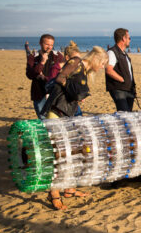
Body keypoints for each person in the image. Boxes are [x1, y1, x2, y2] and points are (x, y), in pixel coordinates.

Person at [44, 44, 108, 210]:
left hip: (67, 113)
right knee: (58, 154)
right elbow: (60, 78)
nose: (102, 68)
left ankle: (69, 189)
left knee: (71, 153)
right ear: (96, 59)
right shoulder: (76, 62)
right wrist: (73, 92)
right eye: (102, 64)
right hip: (57, 112)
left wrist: (77, 97)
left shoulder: (84, 70)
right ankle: (54, 193)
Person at [26, 34, 65, 118]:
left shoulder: (58, 56)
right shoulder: (33, 57)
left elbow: (63, 74)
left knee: (58, 117)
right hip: (39, 92)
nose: (49, 47)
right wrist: (42, 63)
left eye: (51, 45)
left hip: (54, 92)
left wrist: (45, 78)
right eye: (47, 44)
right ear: (40, 43)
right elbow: (29, 74)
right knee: (43, 118)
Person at [106, 28, 136, 112]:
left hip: (129, 89)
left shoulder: (124, 53)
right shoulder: (112, 52)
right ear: (123, 38)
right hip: (119, 88)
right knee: (124, 113)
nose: (130, 40)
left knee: (128, 113)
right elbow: (109, 70)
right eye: (129, 38)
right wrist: (122, 79)